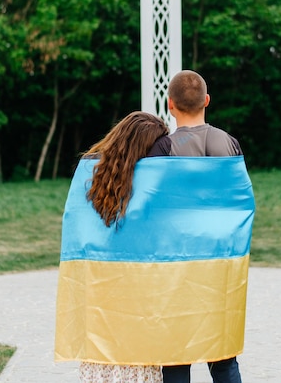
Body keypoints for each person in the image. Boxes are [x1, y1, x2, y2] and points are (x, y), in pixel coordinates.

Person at [148, 70, 243, 383]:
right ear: (207, 101)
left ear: (170, 104)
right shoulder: (228, 144)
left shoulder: (161, 149)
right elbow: (240, 204)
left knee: (176, 359)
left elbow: (153, 211)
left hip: (176, 268)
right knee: (224, 360)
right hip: (220, 267)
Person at [78, 111, 170, 383]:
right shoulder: (152, 184)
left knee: (103, 360)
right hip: (139, 285)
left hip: (99, 282)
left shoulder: (91, 173)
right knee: (138, 362)